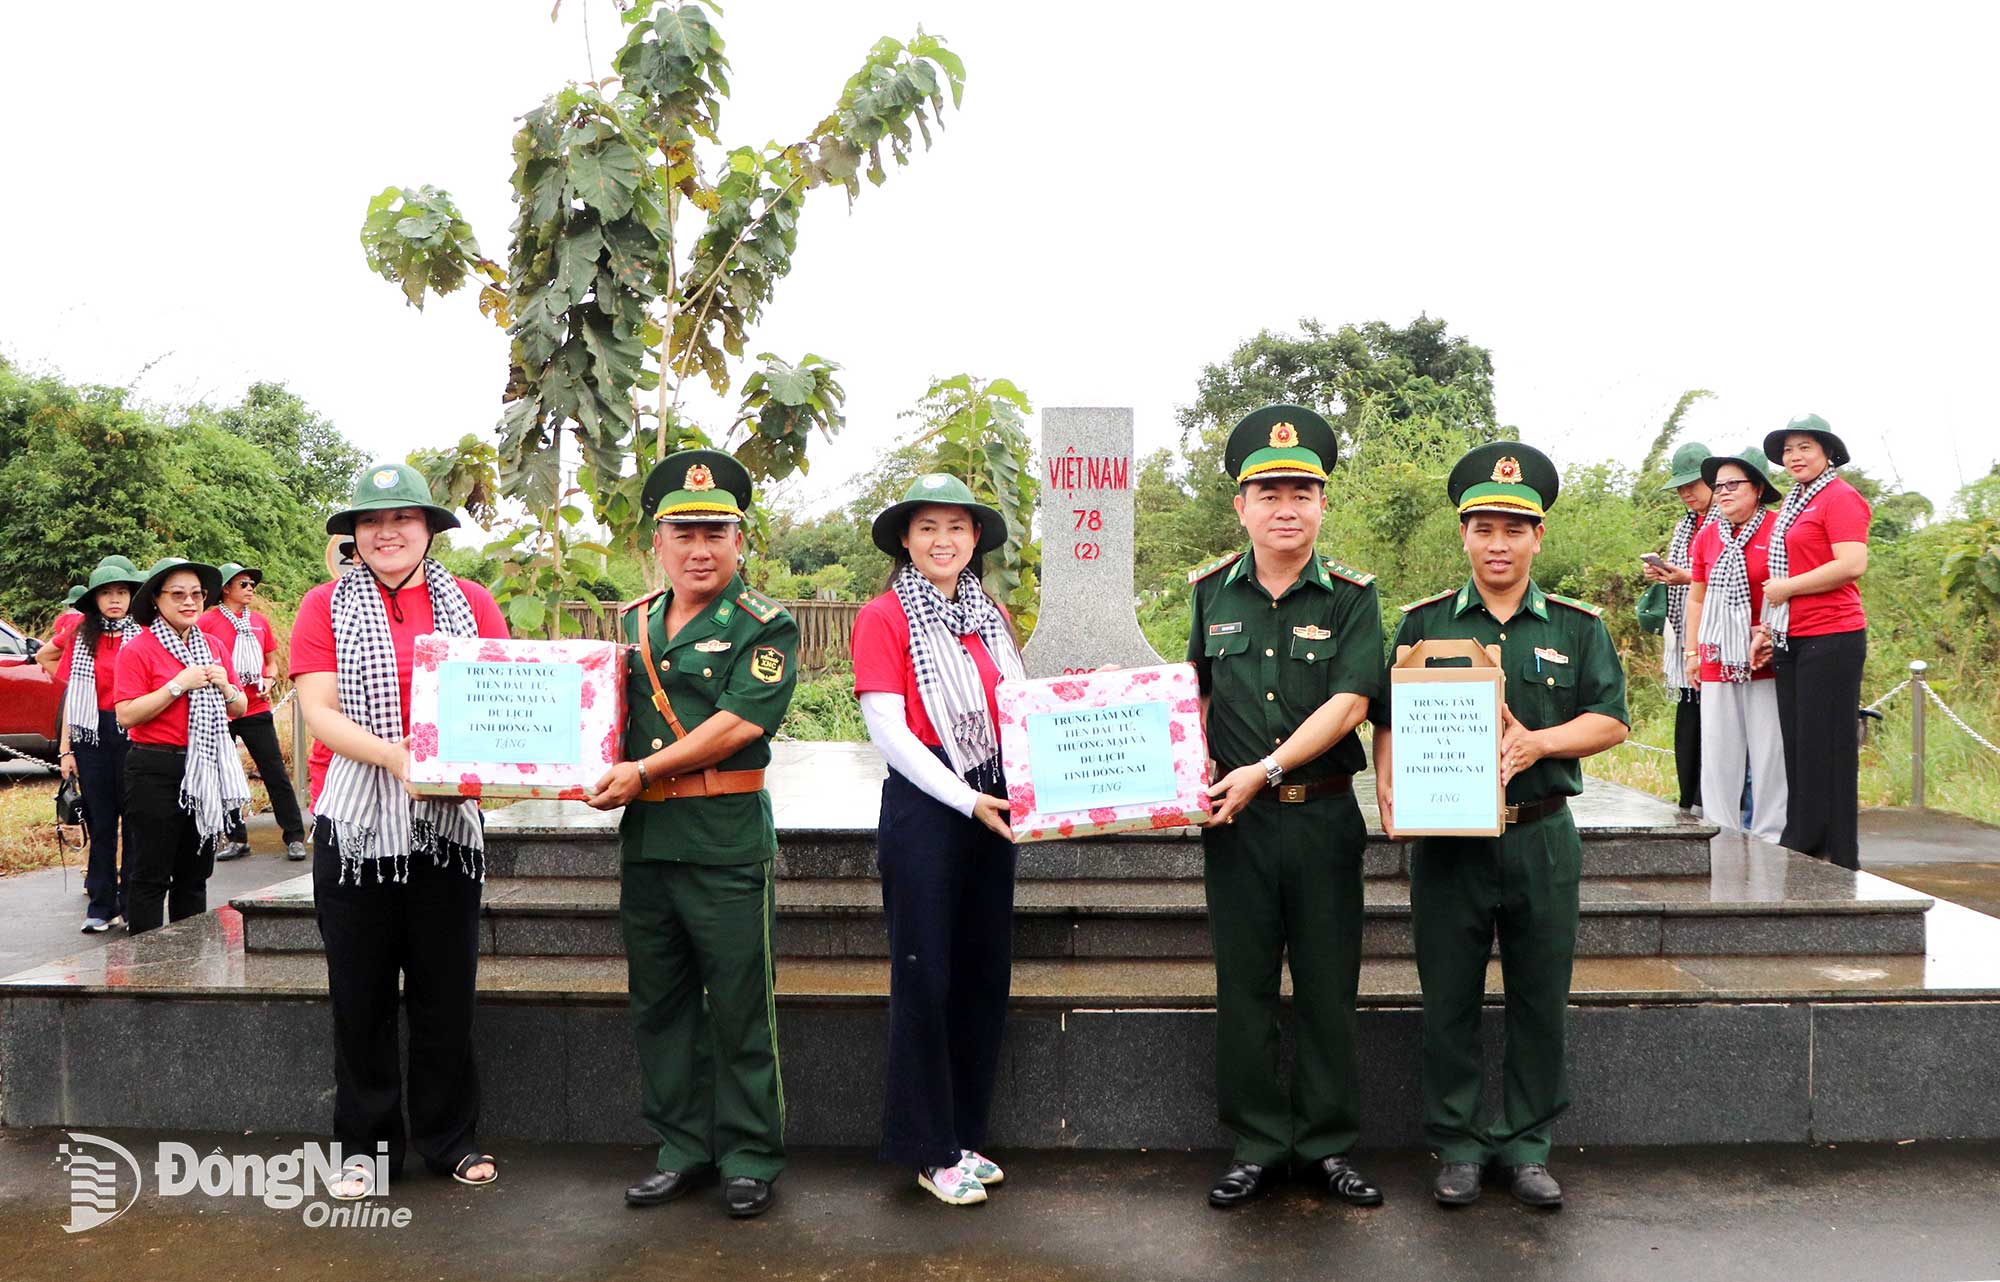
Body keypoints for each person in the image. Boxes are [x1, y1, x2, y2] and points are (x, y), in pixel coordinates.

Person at [1373, 443, 1628, 1209]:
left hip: (1541, 835)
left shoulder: (1579, 628)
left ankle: (1525, 1144)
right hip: (1449, 842)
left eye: (1514, 530)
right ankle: (1456, 1143)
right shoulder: (1423, 624)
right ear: (1463, 535)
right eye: (1483, 528)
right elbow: (1389, 715)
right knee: (1446, 995)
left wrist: (1538, 743)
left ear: (1538, 537)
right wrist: (1388, 783)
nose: (1498, 544)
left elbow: (1611, 721)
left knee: (1539, 997)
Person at [587, 450, 799, 1220]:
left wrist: (642, 773)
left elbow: (740, 722)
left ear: (740, 541)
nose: (699, 548)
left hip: (724, 838)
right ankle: (683, 1149)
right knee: (661, 1003)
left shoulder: (765, 624)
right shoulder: (633, 622)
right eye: (683, 533)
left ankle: (749, 1155)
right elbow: (600, 719)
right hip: (648, 844)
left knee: (742, 1005)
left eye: (715, 532)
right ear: (659, 542)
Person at [1185, 405, 1386, 1211]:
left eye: (1302, 491)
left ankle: (1330, 1145)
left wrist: (1263, 768)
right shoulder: (1208, 594)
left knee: (1330, 985)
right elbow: (1194, 693)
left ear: (1323, 504)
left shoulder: (1350, 597)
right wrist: (1188, 759)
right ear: (1241, 507)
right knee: (1245, 987)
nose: (1285, 507)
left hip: (1321, 817)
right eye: (1268, 493)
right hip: (1237, 826)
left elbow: (1350, 702)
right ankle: (1260, 1144)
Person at [290, 462, 509, 1198]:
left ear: (428, 530)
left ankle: (450, 1138)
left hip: (447, 823)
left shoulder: (473, 601)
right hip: (355, 824)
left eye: (403, 520)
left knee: (447, 992)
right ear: (354, 534)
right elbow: (318, 710)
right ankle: (366, 1149)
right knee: (360, 993)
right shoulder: (323, 606)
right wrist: (394, 756)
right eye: (371, 521)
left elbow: (508, 697)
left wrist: (513, 770)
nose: (387, 532)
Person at [850, 473, 1025, 1206]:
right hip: (932, 810)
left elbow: (1017, 706)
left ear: (975, 539)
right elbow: (887, 729)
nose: (942, 541)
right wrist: (964, 797)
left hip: (995, 806)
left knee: (983, 973)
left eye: (956, 527)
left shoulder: (991, 615)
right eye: (927, 528)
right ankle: (929, 1148)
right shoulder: (884, 617)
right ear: (905, 542)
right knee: (926, 975)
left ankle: (964, 1135)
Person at [111, 557, 251, 935]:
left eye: (196, 594)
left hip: (205, 767)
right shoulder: (139, 648)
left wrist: (225, 686)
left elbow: (240, 707)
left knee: (194, 875)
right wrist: (178, 685)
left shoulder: (215, 646)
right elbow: (126, 715)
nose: (189, 602)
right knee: (150, 874)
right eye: (177, 595)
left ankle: (188, 963)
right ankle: (146, 965)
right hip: (155, 769)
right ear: (156, 600)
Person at [1683, 448, 1787, 845]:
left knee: (1768, 753)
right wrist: (1692, 652)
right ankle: (1722, 833)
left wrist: (1769, 634)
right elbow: (1697, 597)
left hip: (1763, 655)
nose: (1723, 492)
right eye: (1718, 485)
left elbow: (1787, 592)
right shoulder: (1708, 535)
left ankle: (1769, 836)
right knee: (1719, 753)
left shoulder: (1778, 530)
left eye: (1733, 484)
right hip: (1717, 656)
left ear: (1758, 489)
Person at [47, 558, 147, 931]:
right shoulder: (81, 637)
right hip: (92, 733)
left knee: (135, 821)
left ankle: (132, 902)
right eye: (107, 593)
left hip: (134, 729)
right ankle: (101, 905)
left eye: (122, 592)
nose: (115, 599)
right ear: (95, 600)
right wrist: (66, 749)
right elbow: (74, 695)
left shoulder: (146, 634)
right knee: (101, 823)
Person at [203, 563, 308, 862]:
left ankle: (294, 836)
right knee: (224, 774)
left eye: (252, 584)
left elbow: (270, 662)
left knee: (274, 771)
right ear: (226, 589)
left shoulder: (259, 622)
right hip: (222, 708)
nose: (251, 589)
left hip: (255, 706)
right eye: (244, 584)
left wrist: (269, 678)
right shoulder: (207, 622)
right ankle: (235, 837)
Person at [1643, 442, 1715, 812]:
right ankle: (1689, 798)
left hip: (1716, 632)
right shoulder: (1684, 524)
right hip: (1684, 631)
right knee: (1688, 714)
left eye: (1693, 485)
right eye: (1681, 487)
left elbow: (1721, 576)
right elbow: (1683, 570)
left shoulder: (1726, 517)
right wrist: (1660, 572)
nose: (1687, 493)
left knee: (1714, 720)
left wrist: (1685, 577)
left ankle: (1710, 799)